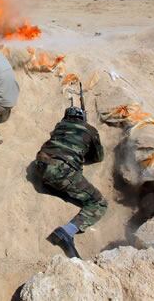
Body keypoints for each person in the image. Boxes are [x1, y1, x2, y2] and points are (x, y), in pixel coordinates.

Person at [34, 105, 106, 259]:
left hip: (40, 165)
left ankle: (55, 188)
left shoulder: (60, 125)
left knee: (61, 181)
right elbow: (99, 156)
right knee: (99, 203)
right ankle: (67, 232)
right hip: (62, 171)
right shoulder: (90, 130)